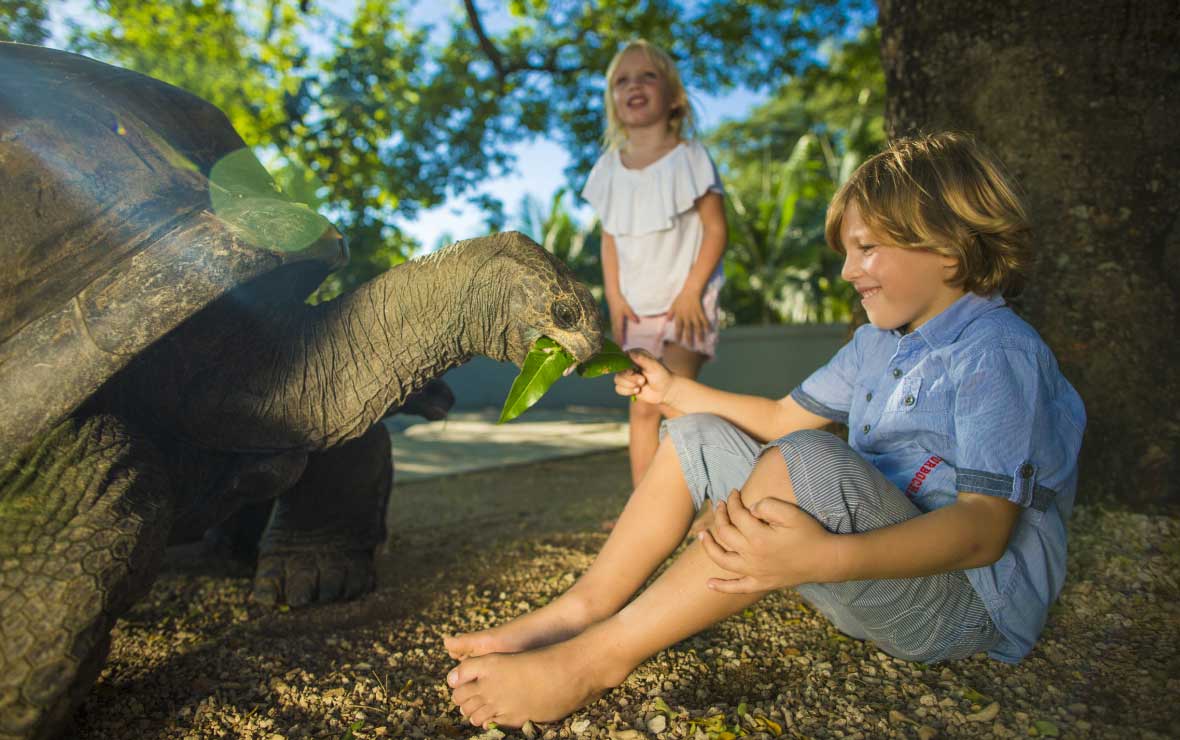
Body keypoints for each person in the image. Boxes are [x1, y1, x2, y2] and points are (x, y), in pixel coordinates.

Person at [442, 132, 1085, 729]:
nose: (847, 271)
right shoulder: (875, 344)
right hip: (842, 573)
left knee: (809, 458)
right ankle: (580, 611)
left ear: (947, 247)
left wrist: (824, 558)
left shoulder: (996, 352)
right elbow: (780, 417)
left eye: (867, 248)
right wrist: (672, 390)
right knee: (693, 433)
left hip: (957, 609)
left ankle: (593, 661)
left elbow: (982, 531)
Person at [580, 39, 728, 488]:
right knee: (641, 409)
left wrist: (690, 292)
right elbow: (609, 240)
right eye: (622, 80)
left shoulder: (691, 157)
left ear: (674, 96)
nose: (634, 85)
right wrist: (615, 297)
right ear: (613, 102)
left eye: (647, 76)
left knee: (675, 403)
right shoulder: (607, 168)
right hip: (635, 309)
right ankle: (643, 508)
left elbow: (717, 230)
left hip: (687, 304)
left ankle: (712, 497)